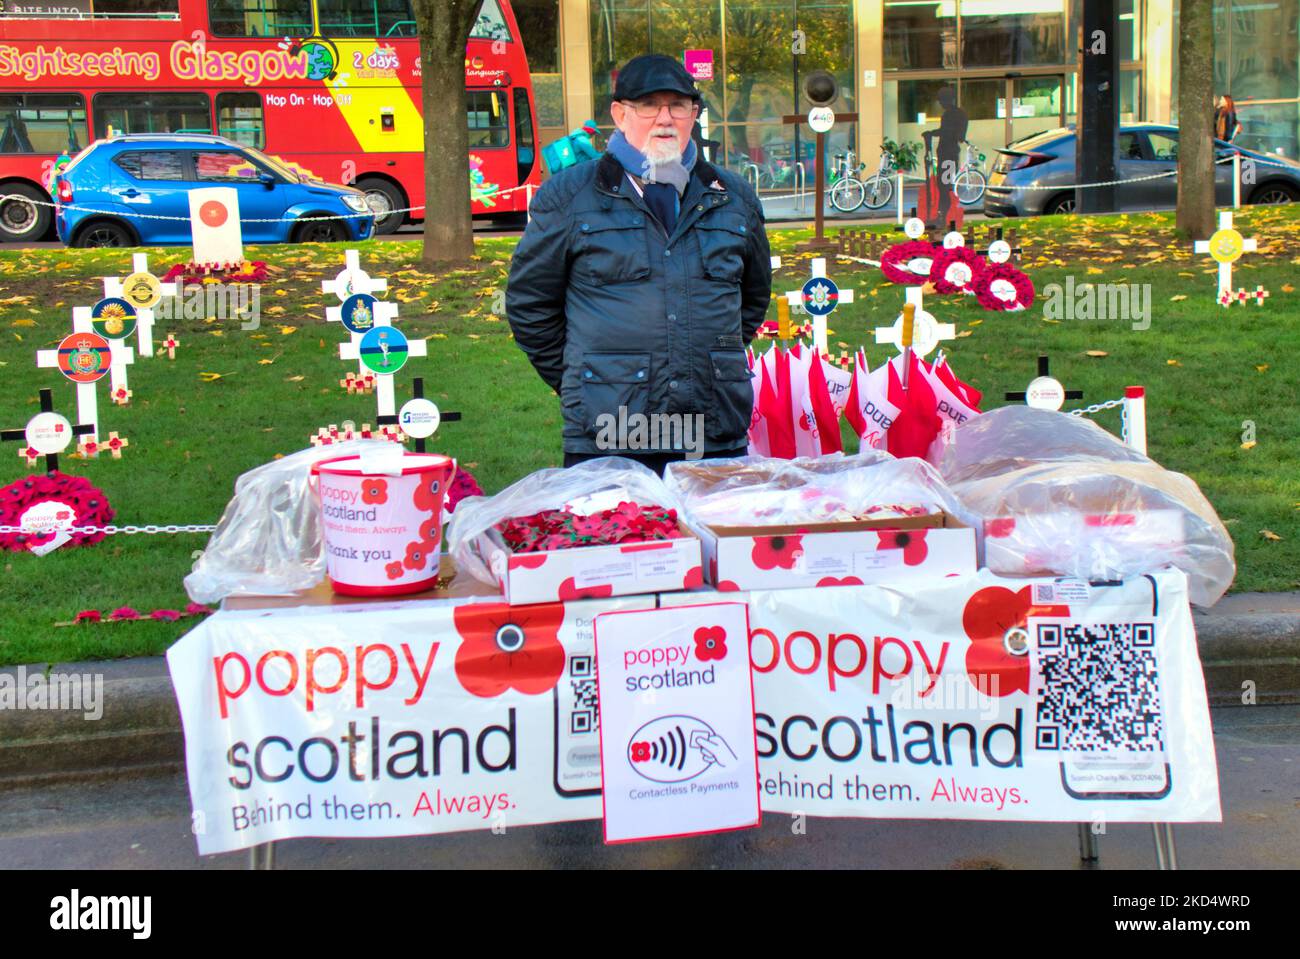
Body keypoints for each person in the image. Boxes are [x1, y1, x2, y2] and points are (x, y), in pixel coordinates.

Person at [506, 54, 772, 475]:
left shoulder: (733, 196)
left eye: (678, 105)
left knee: (714, 541)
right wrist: (584, 379)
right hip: (610, 431)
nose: (664, 119)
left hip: (712, 427)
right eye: (649, 105)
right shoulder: (570, 197)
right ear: (619, 113)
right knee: (619, 538)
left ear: (694, 114)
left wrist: (712, 358)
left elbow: (752, 299)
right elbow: (529, 304)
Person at [921, 86, 967, 229]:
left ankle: (943, 217)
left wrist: (931, 133)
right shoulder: (959, 114)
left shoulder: (951, 115)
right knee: (944, 186)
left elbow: (947, 132)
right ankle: (941, 215)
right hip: (948, 154)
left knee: (945, 186)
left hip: (948, 155)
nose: (940, 103)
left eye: (941, 100)